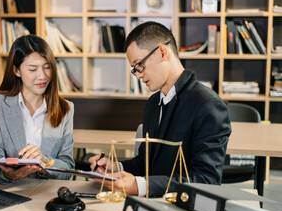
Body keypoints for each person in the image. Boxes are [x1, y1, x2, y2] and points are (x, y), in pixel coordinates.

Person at [89, 21, 231, 197]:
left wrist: (139, 186)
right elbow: (146, 162)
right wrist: (117, 167)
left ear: (162, 52)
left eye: (139, 65)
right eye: (135, 69)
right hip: (150, 205)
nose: (139, 74)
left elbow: (206, 180)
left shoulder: (208, 105)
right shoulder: (153, 103)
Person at [0, 35, 74, 184]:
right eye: (32, 69)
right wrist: (12, 174)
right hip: (10, 191)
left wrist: (45, 161)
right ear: (16, 71)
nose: (42, 76)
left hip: (47, 196)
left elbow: (68, 169)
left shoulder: (65, 109)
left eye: (47, 67)